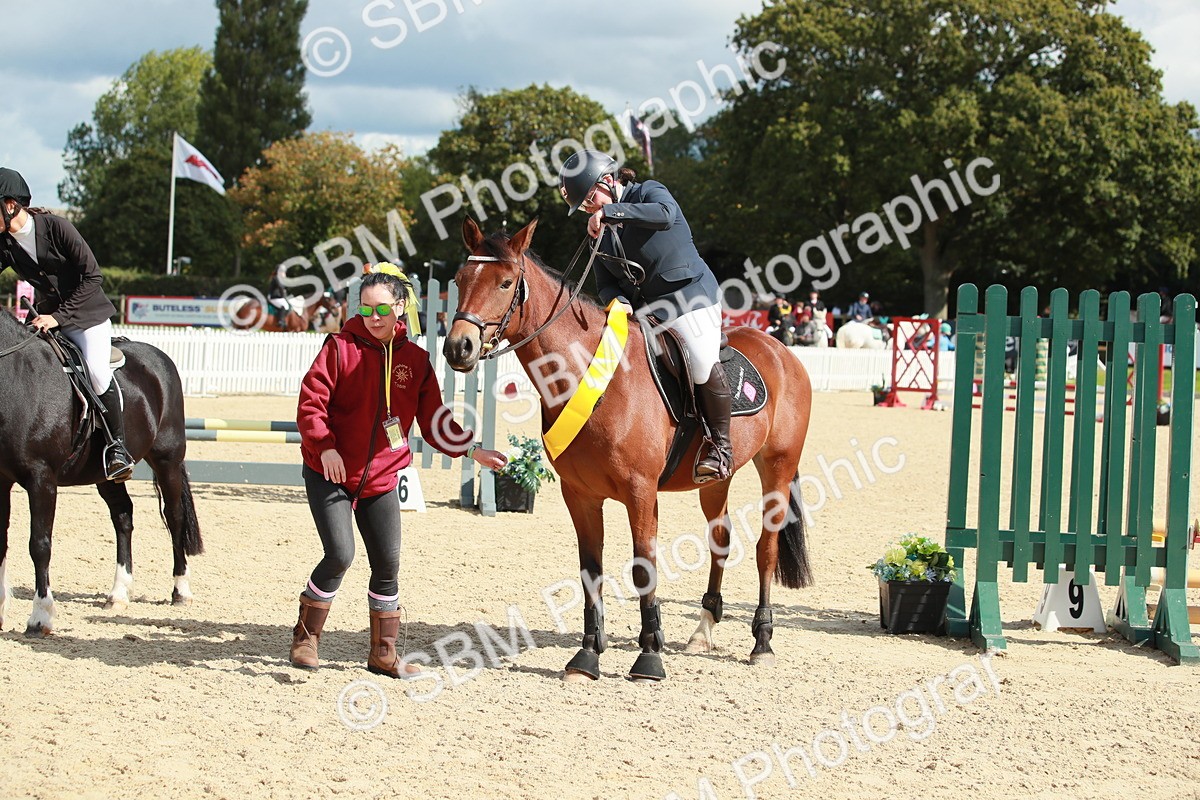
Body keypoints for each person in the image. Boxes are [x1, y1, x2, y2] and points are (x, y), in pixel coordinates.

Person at [291, 263, 507, 677]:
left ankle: (383, 653)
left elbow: (435, 420)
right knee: (340, 554)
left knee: (387, 565)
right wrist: (326, 448)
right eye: (367, 310)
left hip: (382, 479)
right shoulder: (338, 348)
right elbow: (310, 405)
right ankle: (306, 637)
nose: (374, 319)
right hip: (330, 473)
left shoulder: (417, 361)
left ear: (401, 309)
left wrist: (471, 449)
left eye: (383, 310)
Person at [558, 149, 732, 482]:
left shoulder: (648, 191)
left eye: (589, 198)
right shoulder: (600, 230)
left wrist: (610, 211)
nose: (588, 208)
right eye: (583, 206)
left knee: (699, 359)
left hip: (690, 297)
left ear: (608, 181)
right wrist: (617, 301)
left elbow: (665, 215)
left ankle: (721, 449)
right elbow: (605, 284)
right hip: (645, 312)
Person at [0, 167, 134, 481]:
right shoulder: (6, 244)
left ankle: (117, 447)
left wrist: (58, 317)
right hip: (49, 321)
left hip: (87, 317)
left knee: (98, 373)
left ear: (10, 205)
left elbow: (93, 277)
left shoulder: (57, 227)